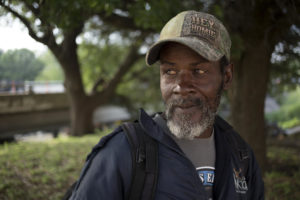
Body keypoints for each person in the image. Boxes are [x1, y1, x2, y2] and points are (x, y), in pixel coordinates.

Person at [69, 10, 264, 200]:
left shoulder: (240, 156)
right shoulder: (122, 152)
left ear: (227, 77)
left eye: (199, 71)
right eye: (170, 71)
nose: (181, 86)